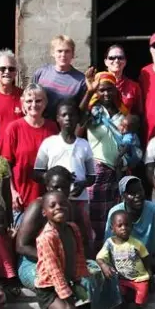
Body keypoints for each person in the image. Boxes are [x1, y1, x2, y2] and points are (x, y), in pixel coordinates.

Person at [25, 191, 88, 309]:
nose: (59, 207)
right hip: (48, 289)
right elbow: (55, 273)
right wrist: (70, 304)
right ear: (44, 212)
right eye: (52, 205)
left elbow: (78, 255)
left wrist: (78, 279)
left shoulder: (73, 228)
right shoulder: (46, 238)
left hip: (64, 285)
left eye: (63, 204)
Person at [34, 100, 96, 253]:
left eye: (72, 115)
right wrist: (55, 176)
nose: (68, 118)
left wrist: (82, 183)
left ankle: (85, 264)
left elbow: (92, 176)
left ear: (77, 118)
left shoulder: (84, 145)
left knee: (82, 235)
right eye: (64, 115)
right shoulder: (49, 143)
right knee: (57, 234)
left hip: (79, 199)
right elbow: (36, 172)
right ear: (58, 118)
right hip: (55, 202)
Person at [78, 70, 129, 251]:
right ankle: (95, 258)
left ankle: (114, 256)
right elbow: (78, 123)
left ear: (116, 90)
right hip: (99, 170)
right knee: (95, 219)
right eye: (101, 90)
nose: (106, 93)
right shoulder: (93, 112)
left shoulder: (123, 112)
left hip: (119, 171)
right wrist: (89, 91)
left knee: (116, 216)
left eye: (110, 89)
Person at [0, 83, 58, 226]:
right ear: (22, 103)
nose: (34, 105)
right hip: (21, 198)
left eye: (38, 101)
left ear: (45, 103)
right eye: (29, 101)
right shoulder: (14, 128)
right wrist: (12, 193)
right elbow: (5, 164)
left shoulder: (52, 127)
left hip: (47, 198)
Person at [15, 166, 75, 290]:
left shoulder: (70, 208)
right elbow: (21, 246)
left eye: (64, 187)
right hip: (34, 263)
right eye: (55, 187)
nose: (60, 191)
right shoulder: (38, 207)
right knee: (55, 280)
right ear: (47, 188)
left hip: (63, 262)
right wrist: (53, 259)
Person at [97, 210, 153, 309]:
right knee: (120, 294)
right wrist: (104, 266)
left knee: (141, 299)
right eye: (120, 225)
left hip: (139, 278)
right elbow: (100, 257)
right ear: (112, 228)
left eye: (127, 225)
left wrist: (149, 272)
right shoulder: (110, 243)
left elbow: (146, 257)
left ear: (131, 227)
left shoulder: (137, 244)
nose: (124, 228)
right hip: (122, 278)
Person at [104, 176, 155, 256]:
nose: (138, 195)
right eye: (132, 193)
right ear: (123, 197)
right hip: (123, 258)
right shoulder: (115, 213)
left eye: (140, 190)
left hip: (151, 258)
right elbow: (109, 244)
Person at [32, 35, 86, 118]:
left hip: (67, 127)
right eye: (59, 51)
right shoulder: (41, 73)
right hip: (42, 125)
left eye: (67, 51)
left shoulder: (81, 80)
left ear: (73, 54)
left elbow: (82, 109)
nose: (63, 55)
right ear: (53, 53)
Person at [0, 203, 21, 296]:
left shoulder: (0, 235)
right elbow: (5, 259)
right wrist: (12, 277)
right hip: (5, 272)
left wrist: (11, 238)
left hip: (5, 271)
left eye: (3, 222)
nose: (1, 226)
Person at [104, 44, 142, 114]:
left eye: (120, 57)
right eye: (111, 58)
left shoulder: (134, 87)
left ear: (125, 61)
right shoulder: (98, 84)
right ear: (105, 62)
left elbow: (138, 114)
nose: (116, 60)